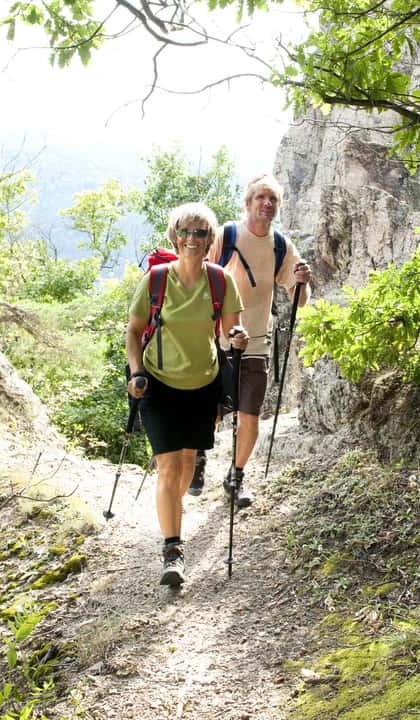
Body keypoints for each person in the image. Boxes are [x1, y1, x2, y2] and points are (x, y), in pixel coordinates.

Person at [125, 202, 247, 587]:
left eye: (201, 233)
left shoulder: (220, 281)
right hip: (158, 383)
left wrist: (237, 337)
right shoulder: (157, 280)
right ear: (174, 237)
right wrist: (136, 371)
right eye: (186, 232)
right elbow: (133, 330)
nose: (193, 239)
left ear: (211, 240)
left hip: (202, 384)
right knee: (167, 467)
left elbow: (231, 330)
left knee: (186, 462)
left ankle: (171, 511)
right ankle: (173, 549)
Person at [188, 174, 311, 507]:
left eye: (272, 199)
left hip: (257, 342)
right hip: (215, 340)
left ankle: (236, 477)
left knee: (250, 415)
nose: (267, 204)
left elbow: (299, 299)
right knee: (208, 410)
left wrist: (301, 281)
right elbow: (196, 275)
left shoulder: (280, 246)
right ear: (248, 203)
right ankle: (198, 458)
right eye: (261, 198)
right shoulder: (227, 235)